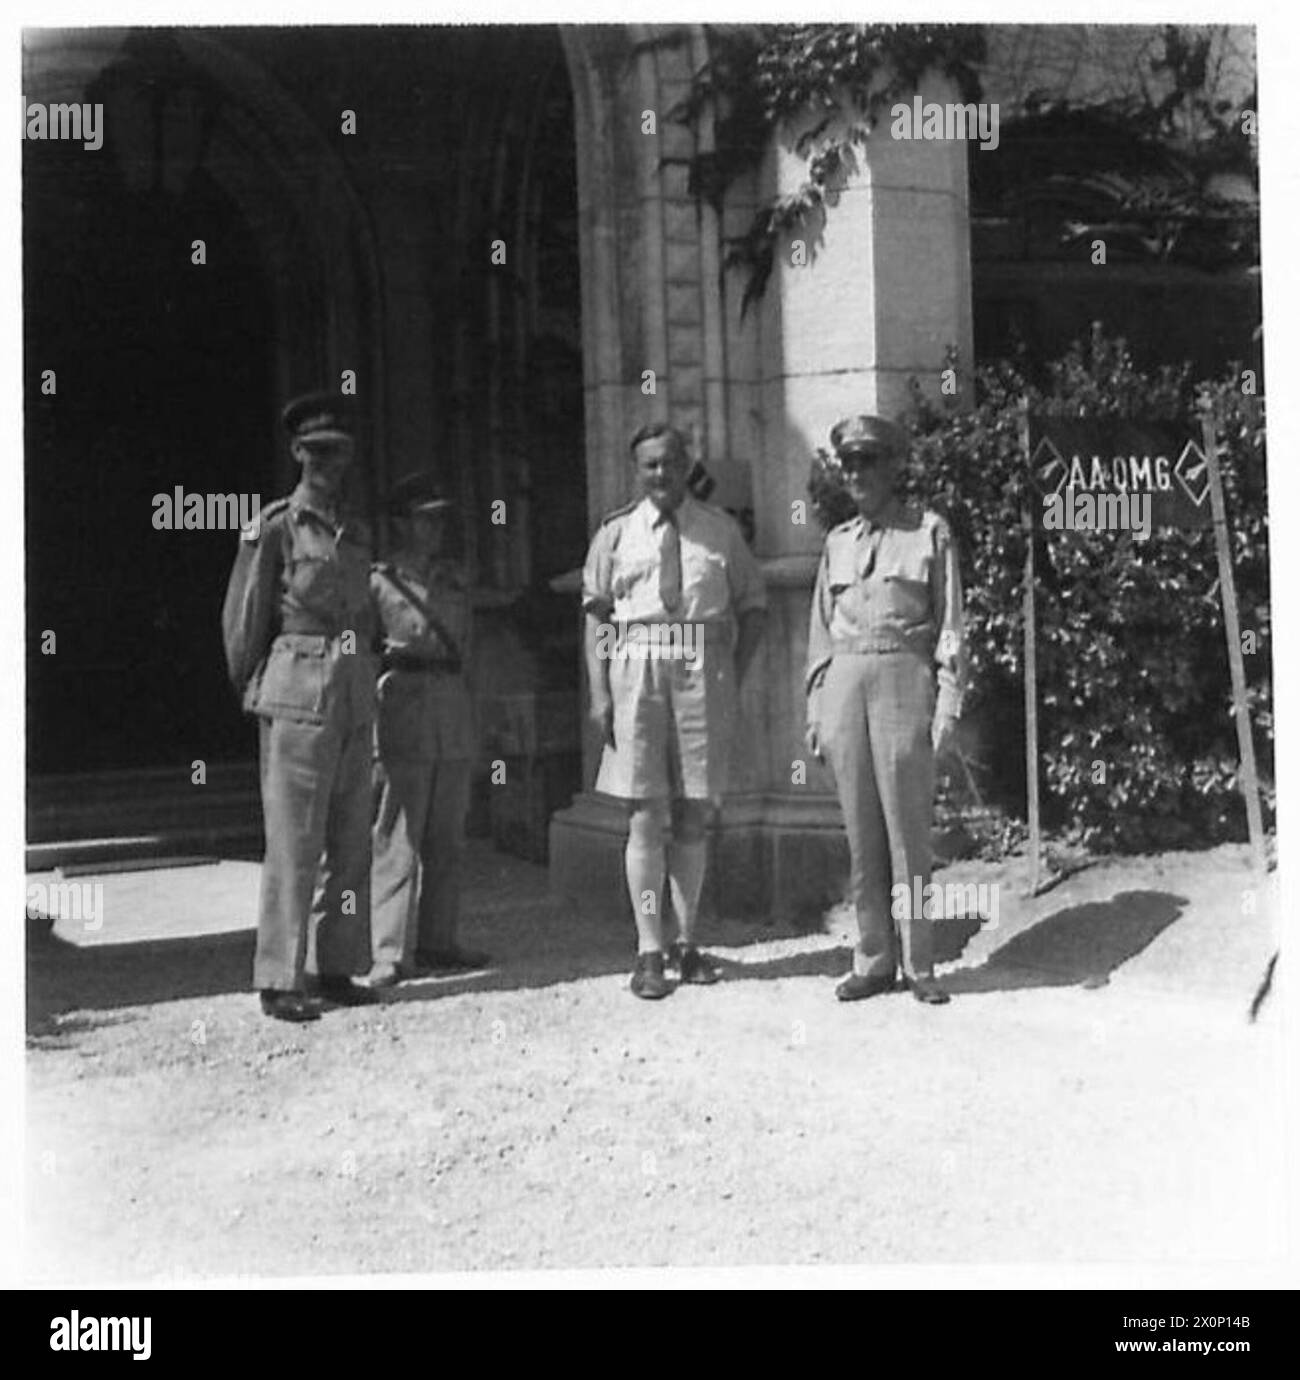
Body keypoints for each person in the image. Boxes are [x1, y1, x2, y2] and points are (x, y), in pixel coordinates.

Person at [582, 422, 767, 999]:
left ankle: (687, 942)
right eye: (649, 466)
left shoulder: (720, 532)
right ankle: (648, 950)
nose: (661, 474)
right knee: (642, 813)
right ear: (636, 471)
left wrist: (730, 677)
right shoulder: (615, 534)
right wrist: (600, 692)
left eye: (670, 462)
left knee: (692, 812)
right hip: (637, 667)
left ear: (688, 465)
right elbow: (596, 616)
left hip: (700, 668)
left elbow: (754, 607)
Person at [222, 391, 379, 1022]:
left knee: (350, 838)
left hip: (352, 691)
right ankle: (280, 977)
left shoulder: (357, 532)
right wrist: (256, 686)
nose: (329, 465)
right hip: (297, 691)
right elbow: (244, 615)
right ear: (297, 454)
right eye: (317, 454)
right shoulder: (275, 526)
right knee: (293, 841)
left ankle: (337, 964)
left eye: (338, 454)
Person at [805, 413, 965, 1005]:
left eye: (868, 461)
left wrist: (949, 701)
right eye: (848, 463)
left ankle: (920, 963)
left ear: (895, 467)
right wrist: (816, 706)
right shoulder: (837, 542)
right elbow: (820, 634)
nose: (857, 473)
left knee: (907, 830)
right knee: (860, 833)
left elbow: (951, 625)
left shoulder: (928, 533)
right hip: (846, 682)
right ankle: (872, 959)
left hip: (904, 677)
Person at [364, 472, 488, 988]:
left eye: (439, 519)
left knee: (447, 838)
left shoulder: (454, 579)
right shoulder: (379, 581)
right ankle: (387, 951)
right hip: (404, 708)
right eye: (423, 520)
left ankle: (439, 940)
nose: (434, 529)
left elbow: (471, 649)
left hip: (451, 710)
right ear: (400, 524)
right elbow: (363, 650)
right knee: (398, 835)